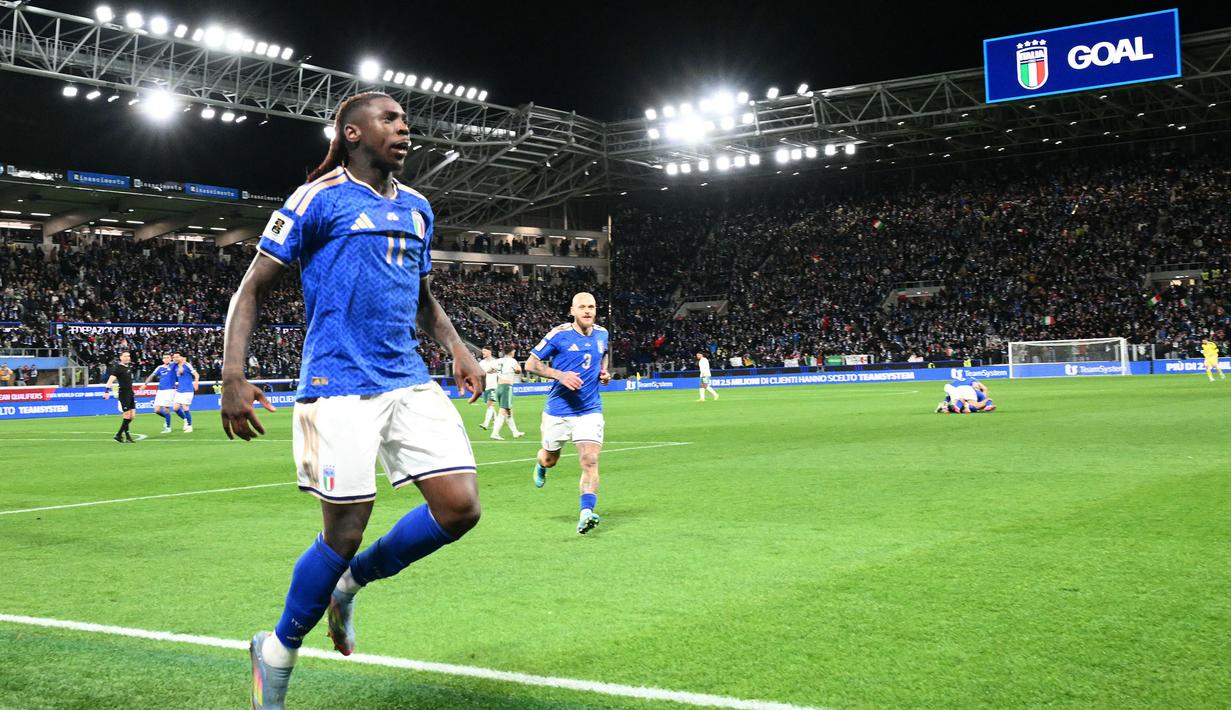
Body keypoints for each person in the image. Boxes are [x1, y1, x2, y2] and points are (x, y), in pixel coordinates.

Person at [220, 91, 485, 710]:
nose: (404, 128)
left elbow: (421, 296)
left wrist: (458, 347)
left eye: (406, 121)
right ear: (353, 132)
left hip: (408, 379)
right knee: (343, 530)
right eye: (390, 119)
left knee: (460, 509)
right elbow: (251, 287)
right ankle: (277, 652)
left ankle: (350, 583)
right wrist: (232, 375)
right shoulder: (316, 199)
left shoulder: (418, 208)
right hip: (337, 385)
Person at [524, 292, 610, 534]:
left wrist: (603, 373)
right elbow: (530, 364)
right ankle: (540, 464)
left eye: (591, 306)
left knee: (590, 460)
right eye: (582, 307)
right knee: (550, 459)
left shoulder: (602, 333)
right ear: (572, 311)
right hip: (559, 411)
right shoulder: (559, 335)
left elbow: (603, 355)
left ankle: (586, 513)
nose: (587, 311)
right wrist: (560, 375)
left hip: (589, 409)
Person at [489, 346, 525, 440]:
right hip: (506, 387)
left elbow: (490, 370)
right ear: (511, 352)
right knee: (503, 411)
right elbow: (518, 370)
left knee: (509, 411)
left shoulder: (498, 361)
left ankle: (515, 432)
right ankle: (495, 433)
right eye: (514, 351)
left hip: (499, 387)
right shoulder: (512, 361)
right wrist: (517, 370)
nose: (514, 352)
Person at [102, 351, 136, 443]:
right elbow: (110, 380)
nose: (127, 358)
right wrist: (106, 391)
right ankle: (123, 435)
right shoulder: (118, 368)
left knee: (132, 416)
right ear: (121, 358)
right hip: (123, 393)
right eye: (125, 356)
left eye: (128, 356)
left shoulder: (128, 367)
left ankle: (120, 435)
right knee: (127, 415)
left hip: (130, 392)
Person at [143, 353, 178, 434]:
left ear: (171, 359)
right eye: (164, 358)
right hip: (160, 390)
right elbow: (152, 375)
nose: (166, 359)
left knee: (166, 408)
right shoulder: (160, 367)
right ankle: (167, 418)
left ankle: (168, 427)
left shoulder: (173, 365)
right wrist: (145, 384)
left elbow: (180, 361)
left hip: (170, 390)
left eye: (168, 357)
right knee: (157, 410)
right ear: (162, 359)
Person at [172, 353, 199, 433]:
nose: (175, 358)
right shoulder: (175, 366)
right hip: (180, 390)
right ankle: (185, 419)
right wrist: (179, 363)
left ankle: (189, 426)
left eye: (177, 357)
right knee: (175, 408)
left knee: (185, 407)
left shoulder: (187, 365)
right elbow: (179, 372)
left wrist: (196, 383)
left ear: (182, 357)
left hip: (187, 390)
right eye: (174, 357)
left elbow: (196, 374)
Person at [476, 347, 499, 430]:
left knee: (490, 405)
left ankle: (485, 424)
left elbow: (498, 372)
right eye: (482, 351)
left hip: (493, 386)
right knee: (490, 406)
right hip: (485, 387)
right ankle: (496, 421)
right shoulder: (481, 363)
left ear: (490, 352)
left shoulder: (495, 362)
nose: (483, 353)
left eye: (485, 351)